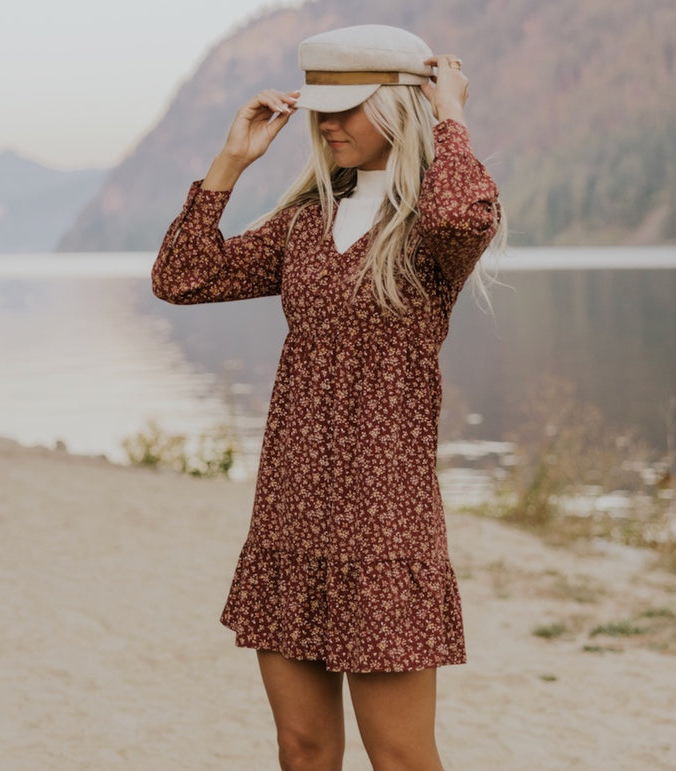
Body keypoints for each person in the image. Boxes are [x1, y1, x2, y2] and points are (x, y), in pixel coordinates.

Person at [152, 23, 502, 771]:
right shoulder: (302, 224)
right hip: (290, 512)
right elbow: (181, 278)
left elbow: (463, 213)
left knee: (402, 756)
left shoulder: (430, 231)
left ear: (400, 106)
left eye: (349, 105)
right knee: (302, 750)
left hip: (384, 523)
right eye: (320, 106)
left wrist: (452, 117)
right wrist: (231, 161)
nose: (328, 122)